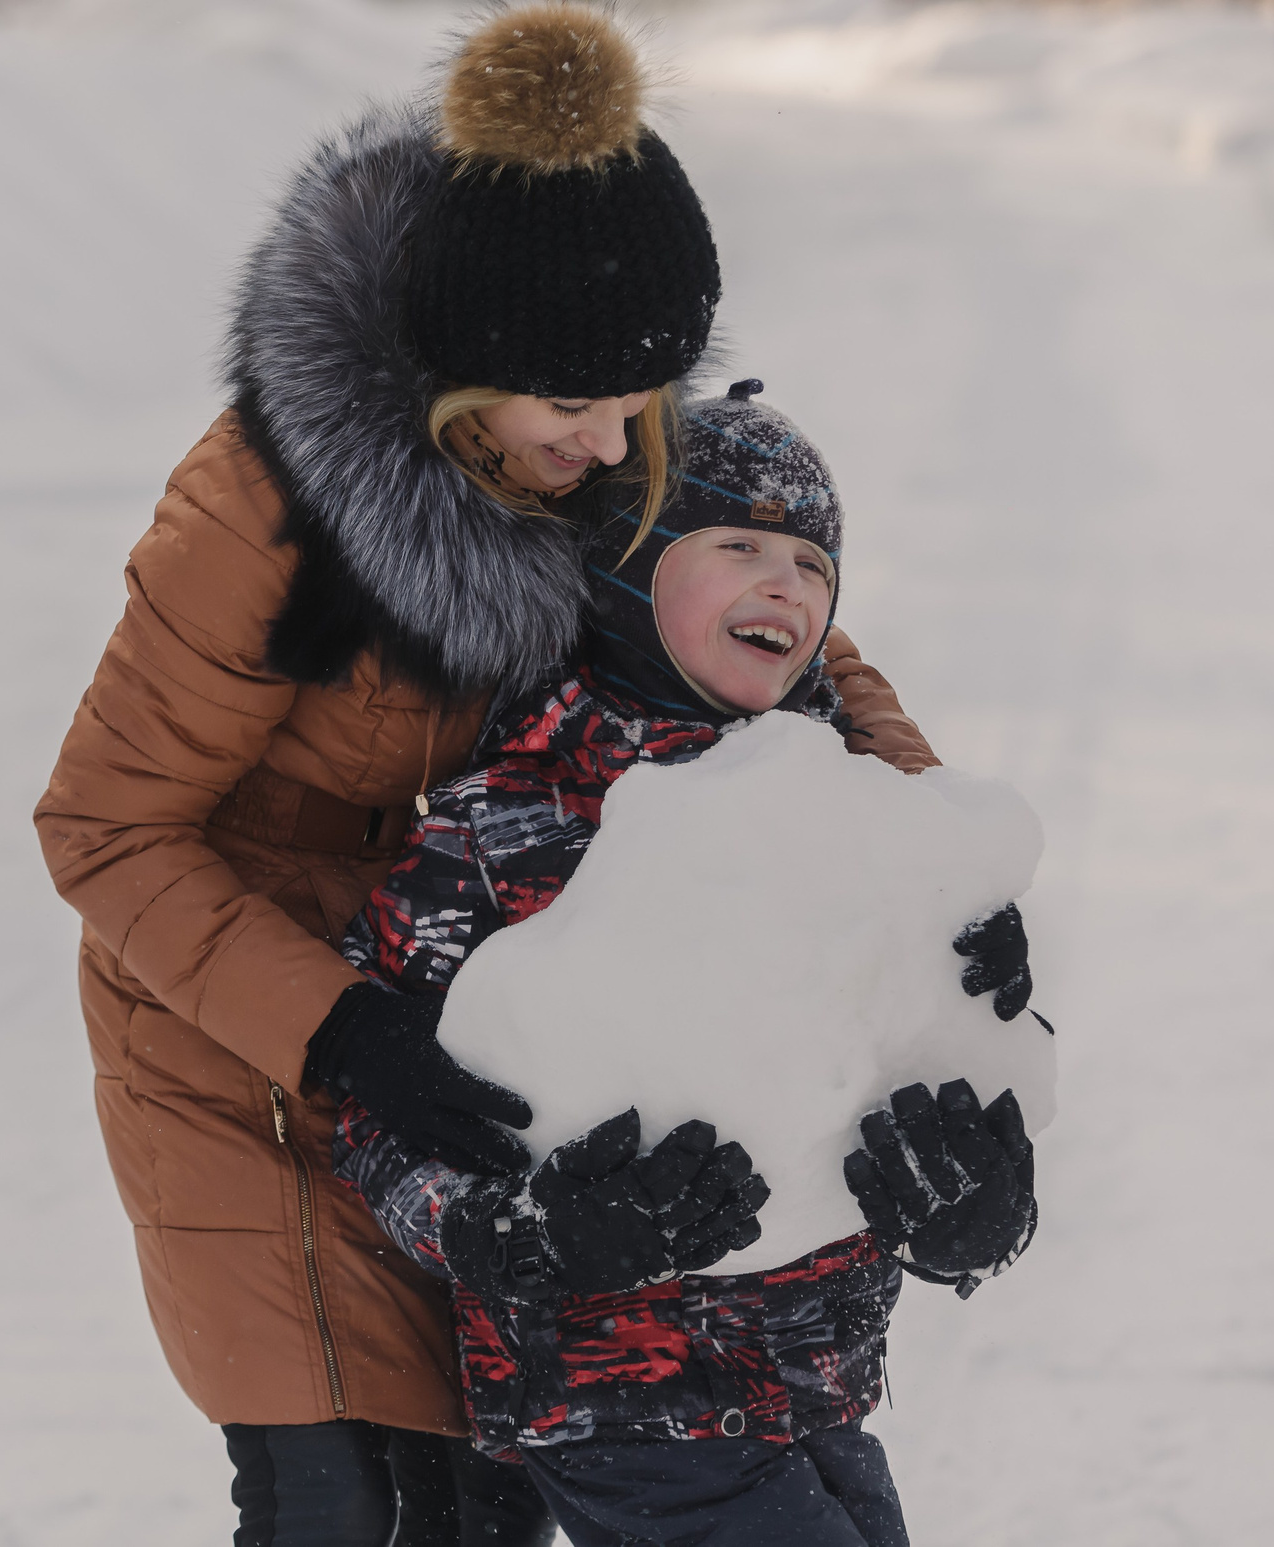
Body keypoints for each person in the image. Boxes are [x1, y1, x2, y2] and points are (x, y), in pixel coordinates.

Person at [32, 0, 942, 1547]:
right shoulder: (270, 499)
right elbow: (106, 828)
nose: (605, 445)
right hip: (255, 1033)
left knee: (486, 1501)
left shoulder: (613, 443)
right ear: (460, 375)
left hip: (494, 1014)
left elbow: (782, 647)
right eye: (568, 408)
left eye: (637, 403)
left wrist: (927, 852)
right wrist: (342, 1032)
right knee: (339, 1502)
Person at [329, 387, 1043, 1547]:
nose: (788, 584)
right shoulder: (510, 824)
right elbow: (377, 1121)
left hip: (816, 1384)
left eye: (815, 564)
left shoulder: (850, 820)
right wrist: (516, 1237)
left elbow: (898, 1071)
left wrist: (973, 1192)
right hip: (618, 1405)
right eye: (739, 544)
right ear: (622, 566)